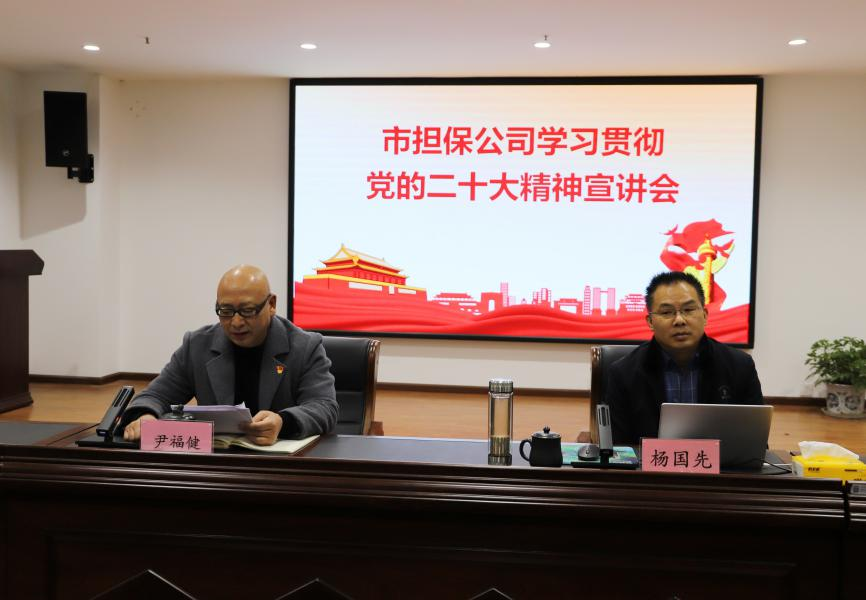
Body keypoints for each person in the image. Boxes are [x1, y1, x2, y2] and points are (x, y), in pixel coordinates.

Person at [123, 265, 338, 445]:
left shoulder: (305, 347)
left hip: (279, 465)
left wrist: (283, 422)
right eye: (225, 311)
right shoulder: (197, 346)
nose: (236, 322)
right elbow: (155, 396)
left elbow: (324, 407)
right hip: (219, 462)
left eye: (247, 311)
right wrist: (145, 416)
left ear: (271, 304)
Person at [606, 271, 763, 445]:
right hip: (649, 463)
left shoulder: (740, 366)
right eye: (667, 312)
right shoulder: (623, 374)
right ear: (650, 322)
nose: (679, 320)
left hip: (722, 463)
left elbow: (755, 442)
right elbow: (618, 448)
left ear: (705, 315)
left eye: (688, 310)